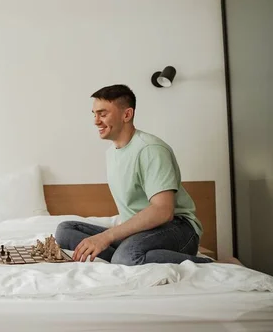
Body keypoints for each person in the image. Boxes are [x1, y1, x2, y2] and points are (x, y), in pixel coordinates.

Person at [55, 84, 214, 265]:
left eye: (103, 114)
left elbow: (163, 211)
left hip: (177, 229)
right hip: (141, 233)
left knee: (126, 256)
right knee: (65, 231)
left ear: (127, 115)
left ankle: (210, 265)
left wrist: (107, 236)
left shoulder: (150, 149)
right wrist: (108, 237)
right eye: (94, 114)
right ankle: (125, 255)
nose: (96, 121)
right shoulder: (111, 153)